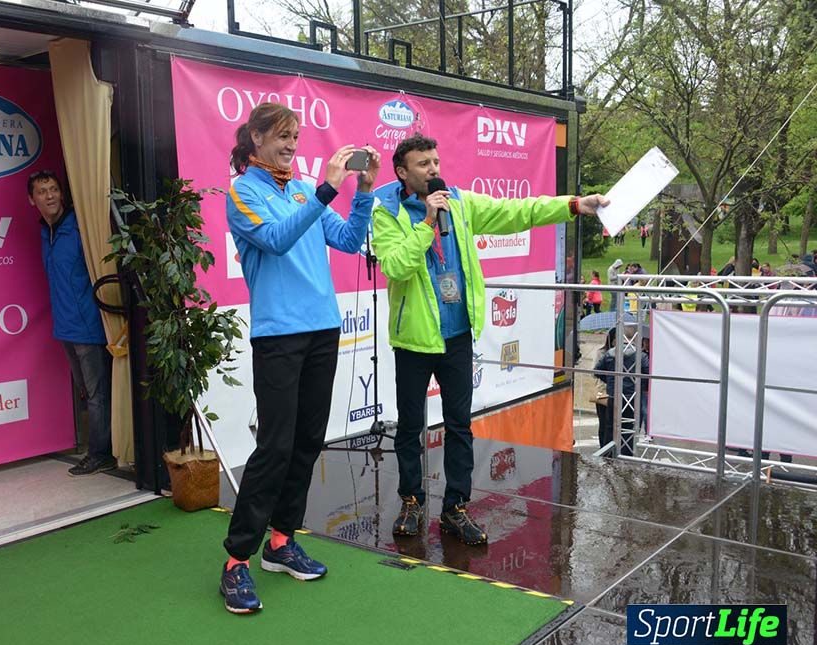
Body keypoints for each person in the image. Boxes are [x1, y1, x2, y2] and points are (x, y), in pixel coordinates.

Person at [371, 134, 607, 544]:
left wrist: (572, 205)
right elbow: (395, 266)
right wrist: (427, 223)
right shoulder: (386, 211)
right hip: (413, 339)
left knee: (460, 426)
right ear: (402, 172)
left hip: (458, 334)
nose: (433, 170)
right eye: (423, 164)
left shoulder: (458, 202)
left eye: (435, 161)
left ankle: (455, 509)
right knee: (411, 426)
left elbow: (517, 211)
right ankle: (411, 501)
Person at [219, 103, 381, 614]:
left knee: (308, 441)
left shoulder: (304, 188)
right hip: (279, 336)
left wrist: (365, 189)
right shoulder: (242, 190)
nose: (291, 144)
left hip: (322, 330)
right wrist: (327, 190)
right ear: (256, 138)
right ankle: (236, 560)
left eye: (295, 136)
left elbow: (351, 240)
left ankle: (281, 541)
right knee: (274, 446)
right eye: (282, 135)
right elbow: (276, 239)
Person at [28, 170, 115, 477]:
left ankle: (100, 453)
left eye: (53, 189)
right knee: (87, 391)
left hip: (88, 325)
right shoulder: (45, 231)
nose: (50, 196)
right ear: (32, 200)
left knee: (96, 393)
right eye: (42, 191)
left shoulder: (78, 225)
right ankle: (102, 447)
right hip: (64, 326)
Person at [594, 324, 649, 456]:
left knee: (610, 427)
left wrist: (611, 381)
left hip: (613, 396)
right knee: (629, 428)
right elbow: (647, 375)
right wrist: (640, 386)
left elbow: (597, 371)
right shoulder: (640, 356)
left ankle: (608, 455)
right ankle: (626, 455)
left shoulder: (610, 353)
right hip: (632, 397)